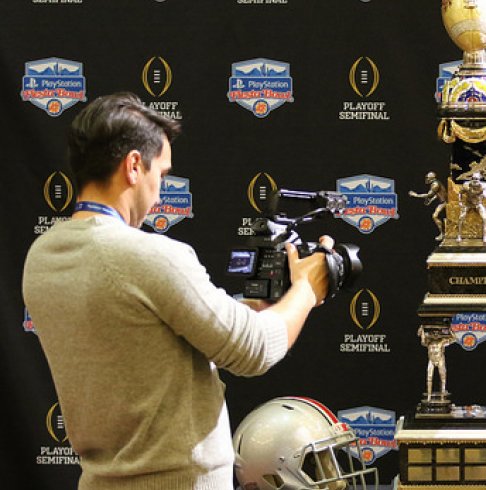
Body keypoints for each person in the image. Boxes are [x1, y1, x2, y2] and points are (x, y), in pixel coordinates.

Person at [21, 92, 333, 490]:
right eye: (161, 175)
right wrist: (307, 288)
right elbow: (256, 348)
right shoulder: (147, 255)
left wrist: (250, 308)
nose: (159, 193)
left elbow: (139, 334)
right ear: (134, 165)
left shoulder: (43, 256)